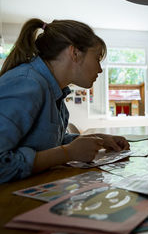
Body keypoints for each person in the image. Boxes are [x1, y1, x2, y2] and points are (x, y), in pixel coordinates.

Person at [0, 18, 130, 184]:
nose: (100, 69)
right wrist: (67, 153)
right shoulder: (26, 83)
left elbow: (47, 142)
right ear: (74, 53)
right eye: (97, 58)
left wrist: (99, 139)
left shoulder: (53, 90)